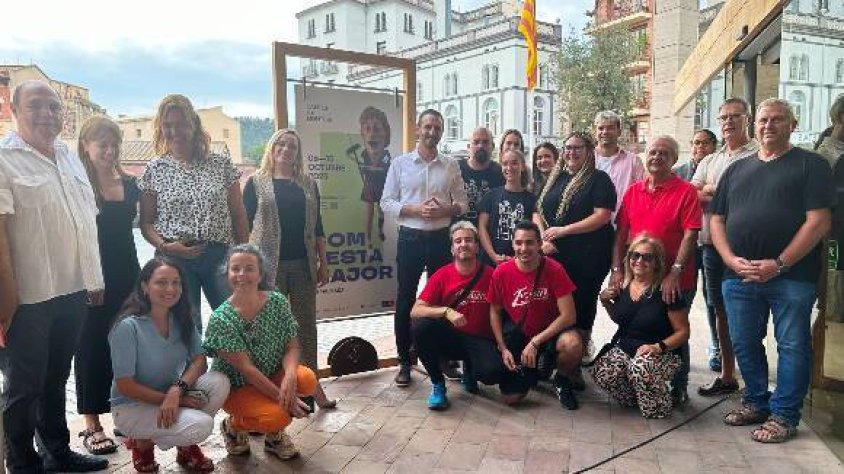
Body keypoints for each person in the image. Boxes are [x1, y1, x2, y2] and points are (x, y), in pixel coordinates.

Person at [711, 98, 835, 443]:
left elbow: (819, 221)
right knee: (744, 342)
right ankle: (755, 402)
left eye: (778, 119)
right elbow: (716, 219)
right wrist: (729, 259)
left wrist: (779, 263)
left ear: (793, 125)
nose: (769, 125)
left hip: (791, 276)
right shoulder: (737, 169)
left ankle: (784, 415)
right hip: (739, 275)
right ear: (755, 125)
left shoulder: (811, 164)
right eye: (763, 120)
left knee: (792, 345)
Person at [0, 80, 108, 473]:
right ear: (14, 110)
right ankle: (22, 463)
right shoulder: (4, 160)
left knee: (56, 377)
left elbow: (84, 221)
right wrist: (6, 297)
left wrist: (93, 280)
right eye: (35, 106)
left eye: (54, 107)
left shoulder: (68, 156)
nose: (47, 114)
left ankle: (56, 452)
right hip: (28, 296)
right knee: (23, 387)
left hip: (72, 290)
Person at [138, 94, 249, 329]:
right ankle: (193, 356)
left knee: (235, 323)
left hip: (219, 256)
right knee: (185, 329)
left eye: (181, 124)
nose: (174, 131)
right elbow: (146, 224)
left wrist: (243, 258)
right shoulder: (154, 170)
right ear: (160, 128)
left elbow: (239, 215)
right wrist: (166, 246)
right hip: (174, 259)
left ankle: (230, 356)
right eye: (168, 125)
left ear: (194, 124)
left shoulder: (221, 164)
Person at [109, 257, 230, 473]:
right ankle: (143, 443)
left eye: (176, 282)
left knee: (219, 382)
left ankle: (184, 447)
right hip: (132, 406)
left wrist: (177, 391)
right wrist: (176, 400)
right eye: (161, 282)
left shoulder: (182, 318)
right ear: (145, 286)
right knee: (202, 425)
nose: (171, 289)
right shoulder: (127, 327)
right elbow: (126, 386)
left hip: (171, 393)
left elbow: (200, 361)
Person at [243, 128, 334, 408]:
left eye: (292, 146)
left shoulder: (308, 184)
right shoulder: (255, 183)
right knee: (271, 329)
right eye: (280, 144)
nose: (285, 149)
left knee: (306, 327)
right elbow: (243, 227)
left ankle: (312, 387)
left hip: (303, 265)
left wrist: (323, 262)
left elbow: (318, 226)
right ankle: (276, 389)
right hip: (268, 268)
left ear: (298, 153)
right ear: (271, 148)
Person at [203, 245, 319, 460]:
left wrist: (290, 376)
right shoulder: (221, 319)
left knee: (306, 379)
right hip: (240, 386)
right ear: (227, 274)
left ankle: (273, 437)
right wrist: (285, 399)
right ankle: (233, 426)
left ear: (260, 274)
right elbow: (247, 370)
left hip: (272, 373)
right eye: (235, 269)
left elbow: (292, 346)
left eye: (249, 268)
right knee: (278, 416)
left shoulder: (277, 301)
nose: (241, 275)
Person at [380, 109, 469, 387]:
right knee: (406, 298)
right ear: (418, 129)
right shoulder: (400, 163)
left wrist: (446, 209)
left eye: (437, 128)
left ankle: (442, 357)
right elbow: (386, 202)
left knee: (442, 299)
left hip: (441, 240)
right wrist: (415, 209)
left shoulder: (451, 165)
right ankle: (405, 361)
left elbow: (463, 204)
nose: (432, 132)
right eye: (428, 127)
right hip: (410, 239)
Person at [611, 135, 701, 406]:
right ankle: (640, 379)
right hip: (639, 276)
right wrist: (616, 269)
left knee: (675, 330)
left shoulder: (686, 192)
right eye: (653, 152)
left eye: (664, 153)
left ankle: (678, 386)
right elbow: (621, 234)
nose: (657, 157)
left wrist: (675, 272)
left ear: (674, 159)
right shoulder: (633, 191)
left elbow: (690, 234)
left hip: (676, 279)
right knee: (640, 325)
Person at [74, 116, 141, 456]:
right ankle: (91, 423)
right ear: (86, 146)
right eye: (102, 144)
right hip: (91, 273)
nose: (110, 151)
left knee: (125, 343)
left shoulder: (130, 183)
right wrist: (86, 279)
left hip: (127, 271)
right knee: (89, 344)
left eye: (114, 144)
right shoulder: (77, 183)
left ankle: (122, 412)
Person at [535, 131, 616, 389]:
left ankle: (572, 366)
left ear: (589, 151)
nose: (571, 152)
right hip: (555, 256)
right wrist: (543, 236)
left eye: (577, 148)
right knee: (554, 306)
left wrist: (563, 231)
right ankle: (552, 354)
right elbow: (537, 210)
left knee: (581, 308)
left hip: (588, 257)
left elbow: (602, 216)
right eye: (567, 147)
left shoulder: (599, 179)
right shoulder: (556, 177)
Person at [691, 99, 759, 396]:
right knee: (719, 309)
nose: (728, 122)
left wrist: (711, 191)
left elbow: (753, 198)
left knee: (749, 311)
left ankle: (755, 383)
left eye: (735, 116)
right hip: (710, 247)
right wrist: (722, 193)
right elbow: (693, 193)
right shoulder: (710, 160)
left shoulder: (759, 155)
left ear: (748, 119)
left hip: (748, 247)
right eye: (724, 117)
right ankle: (728, 375)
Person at [593, 235, 690, 418]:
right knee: (602, 372)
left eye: (647, 257)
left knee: (640, 368)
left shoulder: (666, 291)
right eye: (635, 255)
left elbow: (683, 332)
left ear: (657, 262)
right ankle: (638, 398)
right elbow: (623, 319)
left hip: (663, 352)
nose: (639, 261)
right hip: (629, 346)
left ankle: (658, 408)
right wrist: (605, 302)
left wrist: (657, 347)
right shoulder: (623, 285)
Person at [488, 221, 581, 409]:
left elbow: (569, 316)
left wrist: (536, 342)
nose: (524, 248)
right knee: (511, 399)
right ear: (513, 244)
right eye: (519, 243)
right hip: (520, 334)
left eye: (529, 242)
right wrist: (503, 347)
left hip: (550, 332)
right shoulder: (501, 272)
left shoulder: (555, 269)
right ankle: (538, 370)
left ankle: (561, 379)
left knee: (572, 344)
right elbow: (495, 312)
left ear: (539, 244)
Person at [410, 222, 498, 410]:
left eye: (468, 240)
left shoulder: (492, 275)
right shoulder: (442, 275)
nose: (463, 244)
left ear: (477, 247)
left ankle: (471, 371)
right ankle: (438, 384)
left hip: (480, 339)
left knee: (492, 373)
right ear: (452, 249)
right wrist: (446, 311)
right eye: (458, 241)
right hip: (450, 338)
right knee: (420, 328)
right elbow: (415, 310)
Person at [675, 129, 719, 374]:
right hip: (687, 245)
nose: (699, 147)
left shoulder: (717, 168)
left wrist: (703, 193)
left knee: (712, 299)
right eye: (695, 143)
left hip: (713, 243)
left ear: (714, 145)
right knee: (682, 299)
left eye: (705, 143)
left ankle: (717, 347)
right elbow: (683, 198)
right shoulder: (678, 172)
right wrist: (708, 192)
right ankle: (678, 350)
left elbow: (724, 198)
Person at [478, 149, 536, 266]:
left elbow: (534, 232)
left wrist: (518, 258)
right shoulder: (491, 195)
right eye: (505, 164)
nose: (509, 168)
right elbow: (482, 227)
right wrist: (493, 255)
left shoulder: (532, 199)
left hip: (522, 262)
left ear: (522, 166)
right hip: (493, 261)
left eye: (514, 163)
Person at [347, 106, 391, 245]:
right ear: (362, 134)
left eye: (377, 129)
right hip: (369, 187)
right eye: (367, 129)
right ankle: (368, 238)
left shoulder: (386, 155)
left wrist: (367, 168)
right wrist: (363, 167)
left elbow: (383, 169)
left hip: (382, 187)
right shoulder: (364, 154)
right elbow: (361, 165)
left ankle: (380, 230)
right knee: (369, 213)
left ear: (386, 134)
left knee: (381, 211)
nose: (372, 134)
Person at [593, 110, 645, 215]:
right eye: (601, 128)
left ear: (619, 132)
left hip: (623, 222)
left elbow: (642, 193)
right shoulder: (586, 160)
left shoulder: (633, 161)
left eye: (610, 128)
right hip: (590, 222)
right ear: (595, 132)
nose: (605, 132)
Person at [458, 127, 504, 227]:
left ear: (493, 146)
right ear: (468, 146)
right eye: (476, 142)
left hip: (490, 232)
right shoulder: (456, 169)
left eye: (485, 142)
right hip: (461, 232)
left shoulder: (501, 172)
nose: (481, 146)